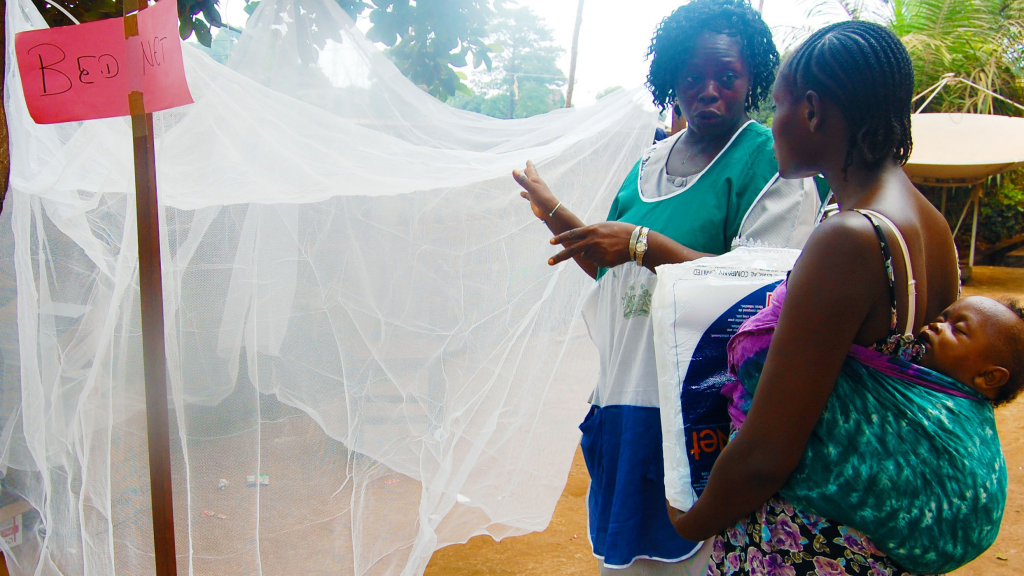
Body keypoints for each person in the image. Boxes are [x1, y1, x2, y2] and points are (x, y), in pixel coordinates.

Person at [665, 21, 966, 576]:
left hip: (815, 545)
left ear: (811, 110)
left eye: (775, 104)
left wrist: (690, 520)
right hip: (882, 533)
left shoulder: (848, 238)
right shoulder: (930, 223)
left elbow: (767, 454)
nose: (768, 123)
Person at [513, 1, 791, 572]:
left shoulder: (766, 160)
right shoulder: (651, 162)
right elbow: (612, 272)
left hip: (700, 403)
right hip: (626, 392)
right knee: (631, 555)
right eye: (692, 76)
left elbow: (761, 294)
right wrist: (554, 213)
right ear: (671, 79)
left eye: (727, 76)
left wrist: (644, 243)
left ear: (751, 79)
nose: (708, 90)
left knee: (695, 551)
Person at [916, 296, 1024, 406]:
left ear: (988, 377)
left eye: (959, 329)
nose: (936, 325)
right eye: (940, 320)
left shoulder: (950, 420)